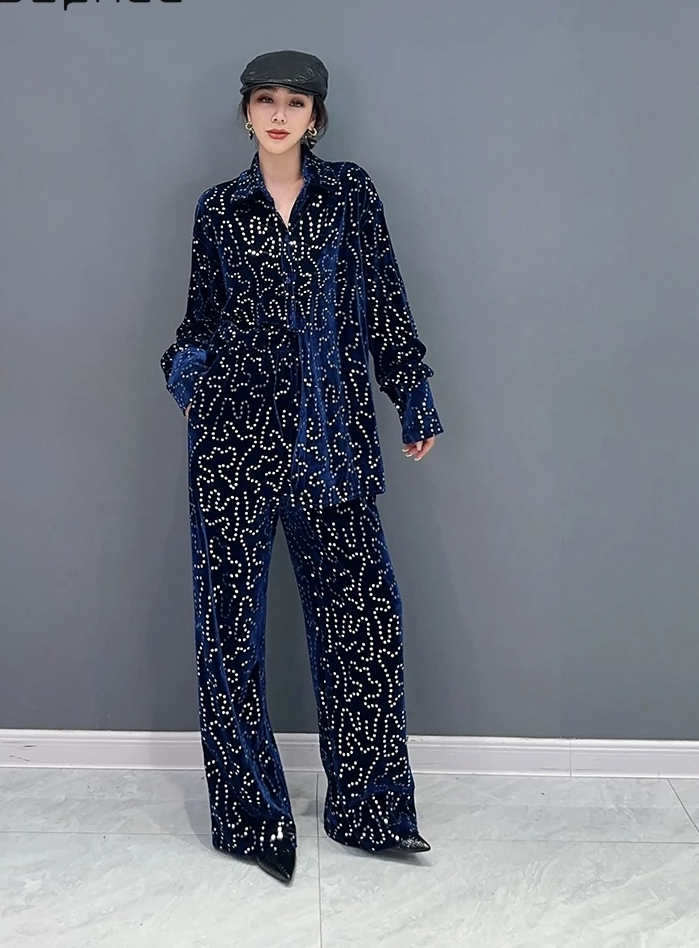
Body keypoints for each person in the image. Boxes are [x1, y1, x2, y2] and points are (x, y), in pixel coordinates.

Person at [160, 50, 444, 884]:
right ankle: (251, 818)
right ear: (246, 112)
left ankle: (369, 809)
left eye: (295, 102)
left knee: (363, 628)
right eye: (265, 101)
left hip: (332, 445)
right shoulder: (219, 209)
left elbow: (385, 303)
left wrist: (412, 394)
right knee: (228, 638)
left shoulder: (352, 194)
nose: (279, 115)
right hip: (233, 446)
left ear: (316, 116)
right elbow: (198, 323)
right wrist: (194, 385)